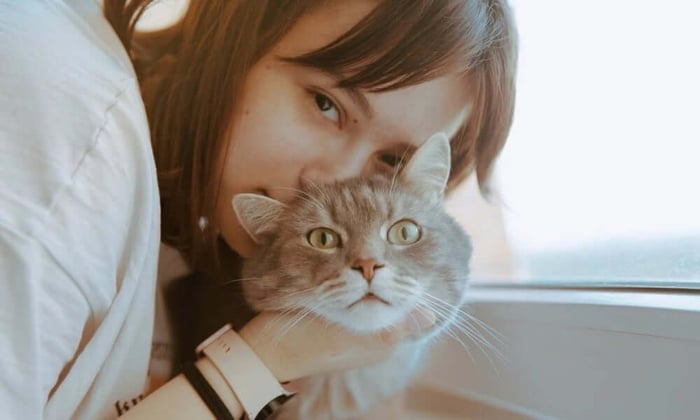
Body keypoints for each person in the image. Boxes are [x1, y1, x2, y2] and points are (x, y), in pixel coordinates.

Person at [0, 0, 517, 418]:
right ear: (242, 27)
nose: (331, 183)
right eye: (326, 104)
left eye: (390, 159)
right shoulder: (59, 111)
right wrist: (257, 363)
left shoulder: (201, 233)